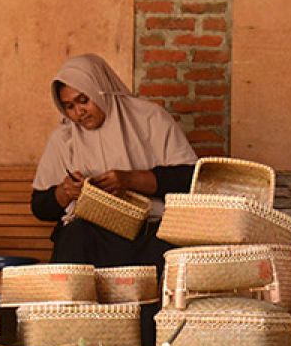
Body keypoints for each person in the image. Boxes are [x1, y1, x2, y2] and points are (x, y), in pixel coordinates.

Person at [30, 53, 199, 270]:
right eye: (69, 106)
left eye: (84, 100)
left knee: (168, 247)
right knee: (75, 236)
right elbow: (40, 206)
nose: (79, 112)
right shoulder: (64, 138)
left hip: (146, 233)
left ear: (99, 89)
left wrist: (130, 180)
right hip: (92, 236)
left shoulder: (149, 119)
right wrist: (66, 192)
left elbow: (189, 179)